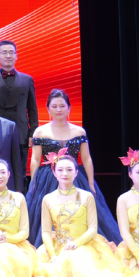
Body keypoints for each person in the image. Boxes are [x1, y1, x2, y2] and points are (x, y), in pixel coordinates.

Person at [35, 152, 132, 277]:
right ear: (54, 173)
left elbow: (93, 227)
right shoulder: (48, 199)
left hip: (83, 244)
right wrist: (52, 254)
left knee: (81, 265)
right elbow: (46, 231)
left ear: (76, 172)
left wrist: (77, 243)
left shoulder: (86, 196)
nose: (65, 173)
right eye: (60, 170)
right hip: (58, 246)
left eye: (69, 169)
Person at [26, 89, 119, 244]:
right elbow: (35, 160)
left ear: (69, 108)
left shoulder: (79, 131)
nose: (58, 109)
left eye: (62, 106)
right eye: (54, 106)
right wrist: (34, 183)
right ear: (48, 108)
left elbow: (86, 158)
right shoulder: (40, 131)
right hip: (47, 178)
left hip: (75, 176)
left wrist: (90, 182)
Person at [0, 40, 38, 161]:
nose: (8, 56)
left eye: (11, 52)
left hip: (21, 131)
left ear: (16, 56)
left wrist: (33, 133)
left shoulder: (27, 79)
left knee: (20, 169)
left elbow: (32, 109)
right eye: (4, 52)